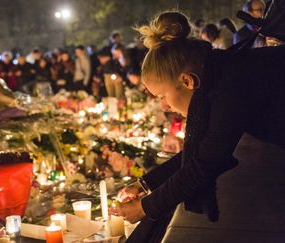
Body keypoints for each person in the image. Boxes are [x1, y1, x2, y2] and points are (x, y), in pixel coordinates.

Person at [111, 11, 285, 227]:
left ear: (187, 81)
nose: (164, 106)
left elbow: (207, 161)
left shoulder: (230, 85)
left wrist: (146, 206)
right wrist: (145, 184)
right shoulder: (220, 71)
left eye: (162, 96)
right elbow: (201, 152)